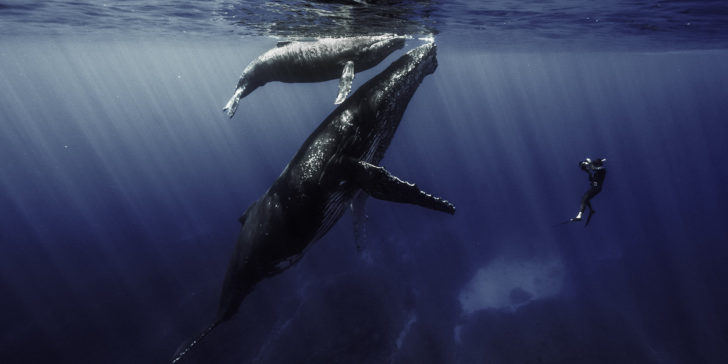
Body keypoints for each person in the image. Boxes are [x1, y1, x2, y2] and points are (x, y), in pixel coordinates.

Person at [571, 157, 606, 225]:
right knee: (584, 198)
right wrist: (588, 170)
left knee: (585, 197)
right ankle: (591, 210)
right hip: (595, 187)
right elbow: (592, 177)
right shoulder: (596, 170)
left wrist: (589, 163)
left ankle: (579, 216)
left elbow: (594, 168)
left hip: (597, 187)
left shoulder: (602, 169)